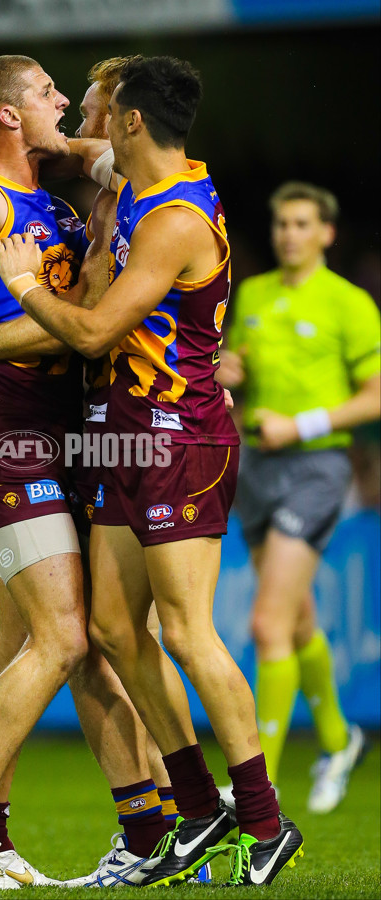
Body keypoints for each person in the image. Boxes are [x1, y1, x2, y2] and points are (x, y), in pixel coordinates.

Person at [0, 55, 305, 887]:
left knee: (186, 632)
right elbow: (70, 151)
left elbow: (95, 335)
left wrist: (23, 286)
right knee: (111, 632)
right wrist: (13, 123)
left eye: (97, 109)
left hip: (180, 441)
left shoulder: (173, 218)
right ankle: (200, 812)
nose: (84, 120)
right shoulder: (131, 173)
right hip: (124, 437)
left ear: (132, 121)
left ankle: (266, 819)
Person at [0, 47, 211, 887]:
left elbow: (88, 317)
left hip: (75, 433)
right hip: (9, 438)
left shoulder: (60, 203)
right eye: (50, 93)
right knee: (63, 636)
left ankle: (110, 827)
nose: (67, 103)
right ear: (9, 115)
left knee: (53, 640)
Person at [216, 181, 379, 813]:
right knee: (298, 618)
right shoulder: (252, 294)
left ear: (327, 233)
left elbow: (376, 394)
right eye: (282, 223)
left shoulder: (350, 303)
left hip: (316, 465)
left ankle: (260, 786)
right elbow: (239, 370)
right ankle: (340, 741)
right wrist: (233, 371)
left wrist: (304, 423)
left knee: (266, 623)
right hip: (255, 463)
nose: (289, 233)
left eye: (303, 224)